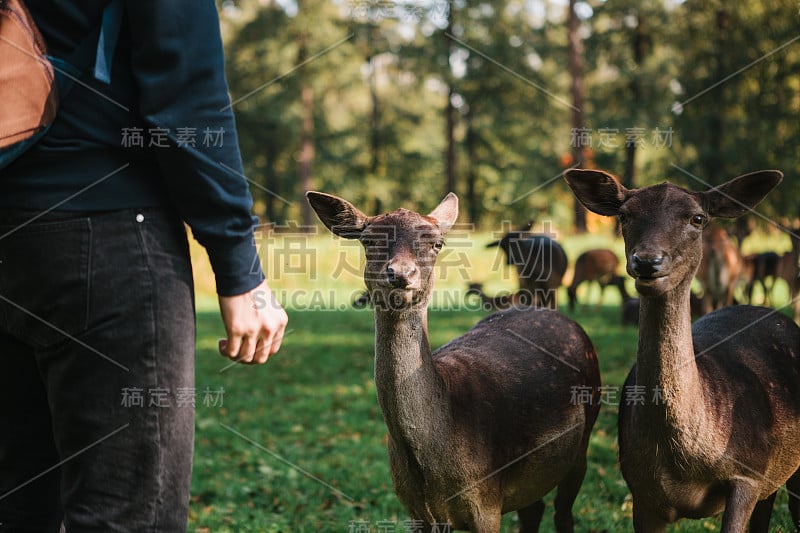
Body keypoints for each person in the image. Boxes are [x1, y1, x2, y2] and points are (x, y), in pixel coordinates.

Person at [0, 0, 288, 531]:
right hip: (106, 236)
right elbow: (185, 100)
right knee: (129, 514)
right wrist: (238, 266)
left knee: (18, 506)